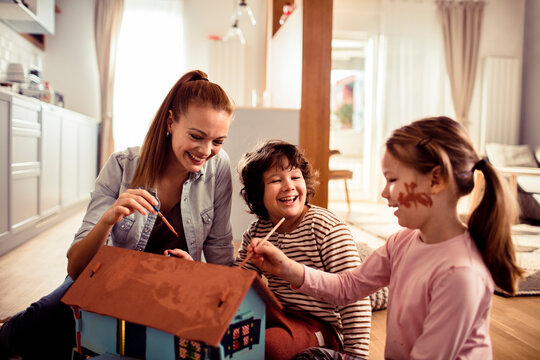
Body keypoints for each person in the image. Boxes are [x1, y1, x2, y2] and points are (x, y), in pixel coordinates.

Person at [0, 70, 236, 360]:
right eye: (197, 136)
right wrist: (108, 219)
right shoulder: (122, 165)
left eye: (218, 141)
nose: (206, 151)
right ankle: (11, 331)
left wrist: (201, 279)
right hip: (109, 284)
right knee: (45, 322)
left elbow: (221, 252)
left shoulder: (218, 167)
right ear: (171, 121)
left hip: (169, 290)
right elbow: (77, 269)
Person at [248, 117, 524, 360]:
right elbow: (348, 287)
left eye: (392, 180)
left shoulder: (460, 274)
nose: (384, 192)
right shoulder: (403, 241)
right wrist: (286, 267)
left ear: (436, 179)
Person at [235, 140, 372, 359]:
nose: (289, 185)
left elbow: (355, 296)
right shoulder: (258, 230)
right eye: (276, 180)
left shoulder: (326, 227)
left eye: (295, 177)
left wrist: (356, 355)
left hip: (322, 326)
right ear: (257, 193)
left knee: (271, 347)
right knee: (236, 324)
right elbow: (238, 282)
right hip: (283, 314)